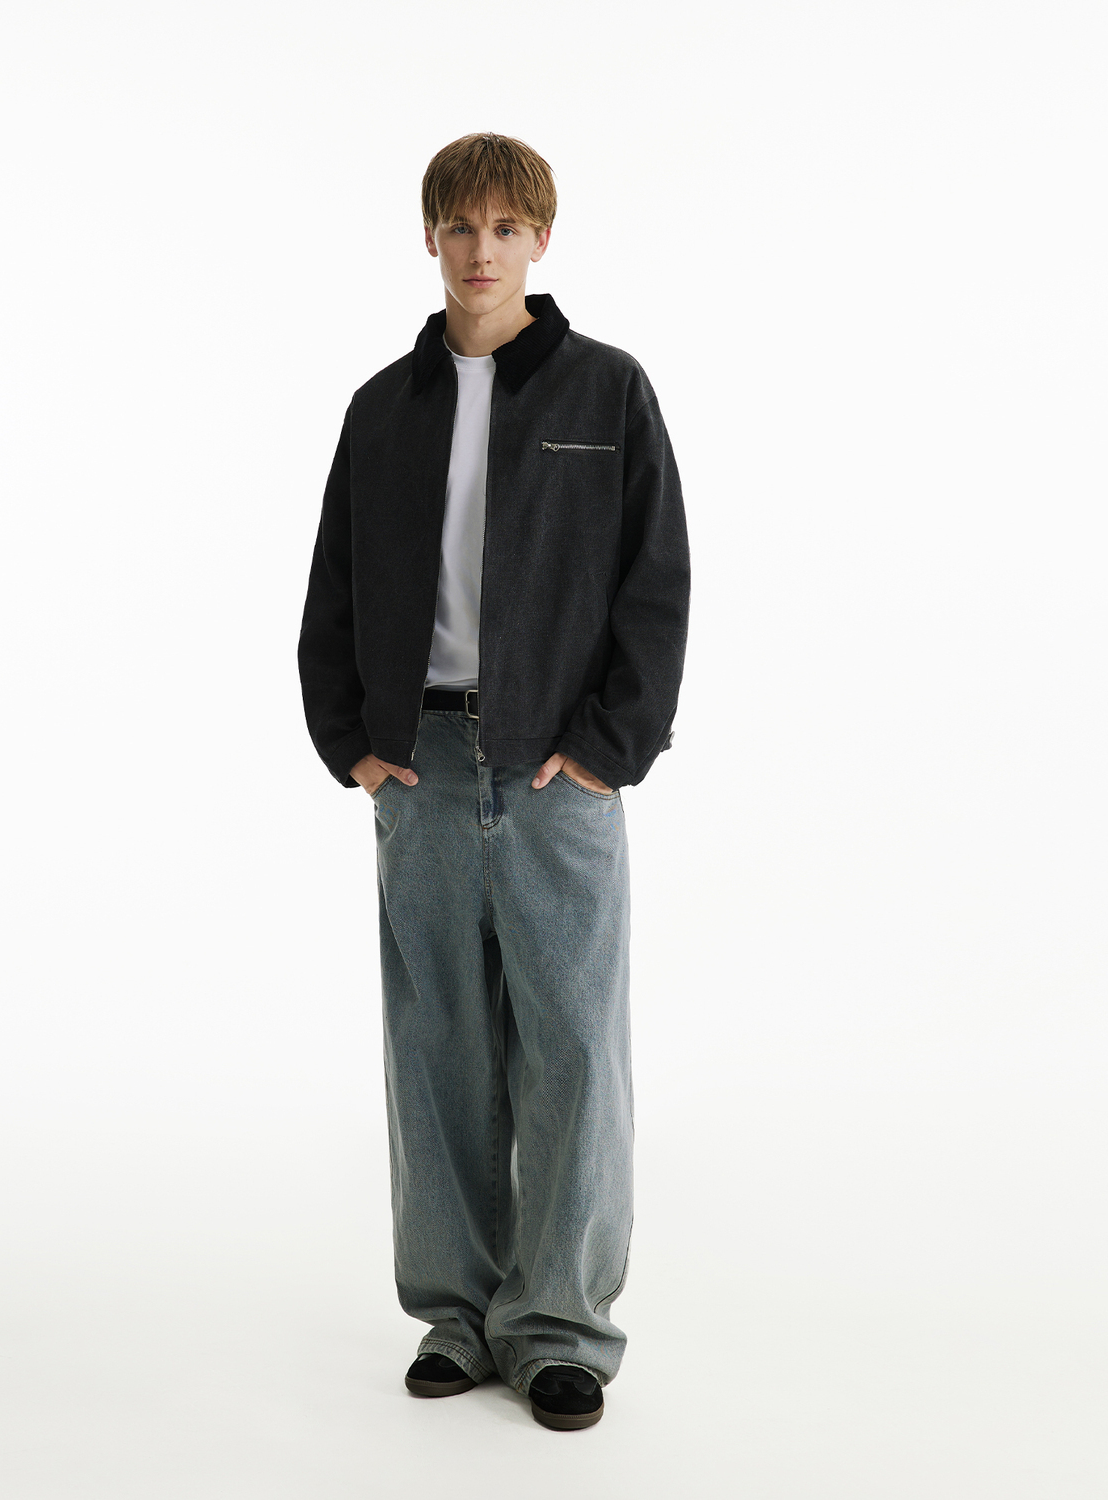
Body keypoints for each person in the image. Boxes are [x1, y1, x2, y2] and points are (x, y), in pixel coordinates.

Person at [297, 132, 689, 1431]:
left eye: (505, 228)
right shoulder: (383, 408)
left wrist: (610, 747)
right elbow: (335, 584)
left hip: (555, 768)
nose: (481, 251)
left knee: (570, 1047)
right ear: (430, 238)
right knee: (437, 1048)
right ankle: (458, 1316)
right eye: (459, 227)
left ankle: (560, 1326)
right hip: (420, 763)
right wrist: (350, 738)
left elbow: (656, 579)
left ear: (540, 240)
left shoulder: (606, 391)